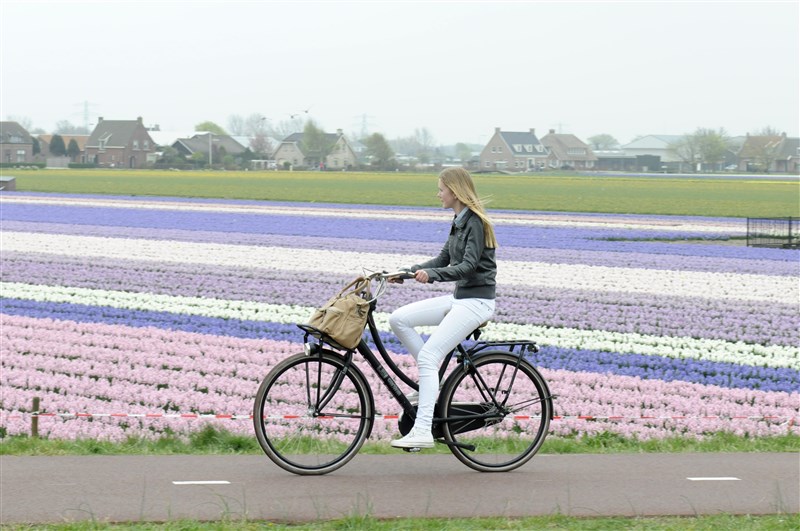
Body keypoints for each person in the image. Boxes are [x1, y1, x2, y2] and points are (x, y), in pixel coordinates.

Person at [388, 167, 498, 449]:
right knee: (399, 318)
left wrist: (433, 277)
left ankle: (422, 430)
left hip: (477, 302)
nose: (438, 194)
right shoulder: (458, 220)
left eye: (441, 189)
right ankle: (430, 378)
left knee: (427, 356)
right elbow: (442, 258)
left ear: (454, 191)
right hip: (460, 298)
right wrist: (406, 272)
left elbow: (468, 266)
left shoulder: (474, 222)